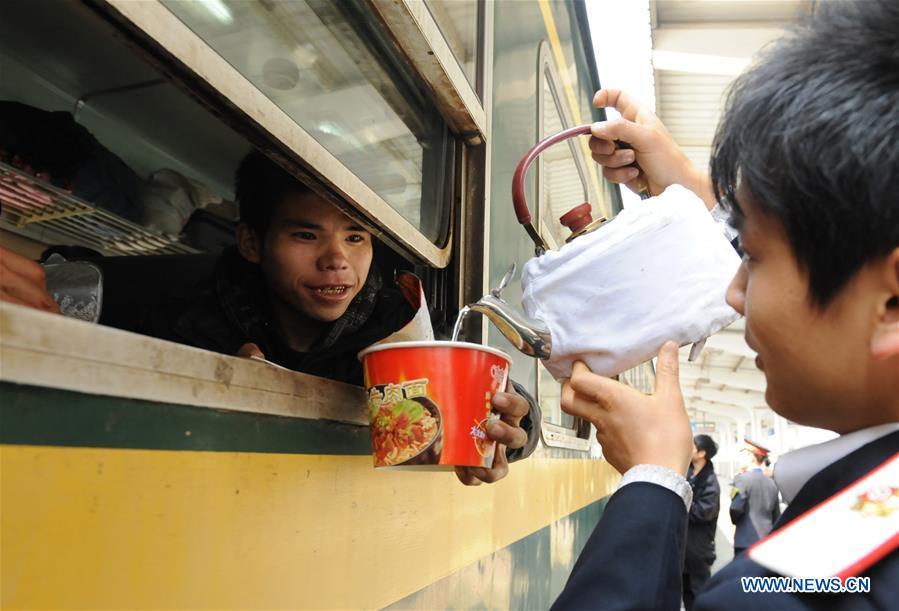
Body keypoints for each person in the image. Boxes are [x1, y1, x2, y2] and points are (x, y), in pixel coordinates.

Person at [552, 1, 898, 608]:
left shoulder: (799, 587)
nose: (734, 294)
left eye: (754, 256)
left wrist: (655, 480)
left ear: (890, 303)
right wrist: (691, 192)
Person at [0, 150, 541, 485]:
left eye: (356, 236)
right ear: (252, 243)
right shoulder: (182, 296)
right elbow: (61, 293)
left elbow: (478, 384)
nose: (337, 260)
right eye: (306, 234)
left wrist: (517, 427)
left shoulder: (393, 317)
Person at [684, 434, 720, 610]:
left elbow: (705, 512)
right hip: (683, 546)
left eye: (692, 447)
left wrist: (681, 505)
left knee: (700, 592)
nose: (688, 449)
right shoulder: (687, 473)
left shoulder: (711, 481)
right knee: (685, 592)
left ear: (702, 453)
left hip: (698, 547)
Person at [730, 439, 780, 557]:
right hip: (766, 540)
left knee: (744, 575)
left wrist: (737, 521)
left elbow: (735, 508)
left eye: (743, 454)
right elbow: (776, 515)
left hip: (745, 540)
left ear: (751, 457)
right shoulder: (771, 482)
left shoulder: (741, 479)